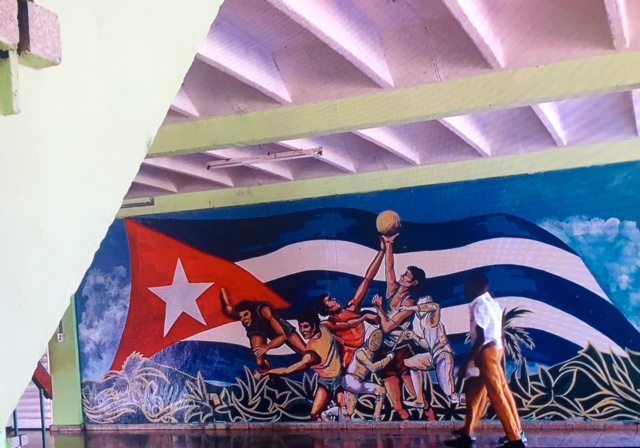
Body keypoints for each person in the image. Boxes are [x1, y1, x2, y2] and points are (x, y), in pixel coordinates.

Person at [445, 274, 525, 448]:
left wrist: (467, 362)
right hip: (494, 350)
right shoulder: (491, 302)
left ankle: (515, 440)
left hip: (486, 353)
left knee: (497, 395)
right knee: (476, 393)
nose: (465, 291)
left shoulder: (479, 305)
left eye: (467, 287)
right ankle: (467, 434)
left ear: (476, 287)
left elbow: (481, 338)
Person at [372, 234, 427, 420]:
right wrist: (389, 244)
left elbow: (387, 327)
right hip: (385, 352)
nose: (403, 275)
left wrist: (379, 308)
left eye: (407, 275)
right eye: (404, 273)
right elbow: (389, 268)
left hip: (402, 352)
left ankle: (433, 421)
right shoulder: (392, 290)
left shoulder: (409, 304)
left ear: (414, 283)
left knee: (420, 400)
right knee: (397, 406)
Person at [260, 310, 343, 421]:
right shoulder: (318, 337)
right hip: (325, 382)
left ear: (314, 325)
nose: (302, 330)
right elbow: (288, 370)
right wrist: (269, 372)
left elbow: (287, 370)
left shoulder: (322, 333)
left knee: (344, 409)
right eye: (300, 326)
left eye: (306, 326)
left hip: (340, 379)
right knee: (314, 414)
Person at [315, 237, 385, 367]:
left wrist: (382, 251)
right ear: (325, 309)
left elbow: (367, 279)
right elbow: (346, 325)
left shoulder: (353, 307)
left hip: (367, 351)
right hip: (348, 358)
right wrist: (363, 317)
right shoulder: (328, 323)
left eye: (331, 298)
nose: (334, 299)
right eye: (329, 300)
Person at [220, 288, 306, 370]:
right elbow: (229, 308)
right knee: (260, 362)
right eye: (241, 317)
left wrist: (267, 347)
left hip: (278, 328)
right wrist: (222, 288)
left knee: (305, 352)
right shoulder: (241, 316)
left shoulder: (264, 310)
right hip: (258, 330)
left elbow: (282, 336)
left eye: (246, 315)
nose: (244, 320)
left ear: (251, 312)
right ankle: (270, 374)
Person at [401, 295, 460, 406]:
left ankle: (477, 399)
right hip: (434, 356)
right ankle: (419, 400)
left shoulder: (432, 319)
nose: (419, 309)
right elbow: (428, 346)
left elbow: (435, 306)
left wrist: (410, 308)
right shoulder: (424, 325)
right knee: (410, 363)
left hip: (443, 356)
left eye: (422, 306)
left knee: (451, 396)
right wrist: (413, 336)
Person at [341, 329, 394, 421]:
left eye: (379, 340)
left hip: (353, 382)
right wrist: (389, 358)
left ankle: (326, 413)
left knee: (349, 412)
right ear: (367, 338)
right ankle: (377, 418)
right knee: (381, 390)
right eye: (374, 338)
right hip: (352, 381)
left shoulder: (370, 354)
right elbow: (373, 368)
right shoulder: (360, 353)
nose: (376, 342)